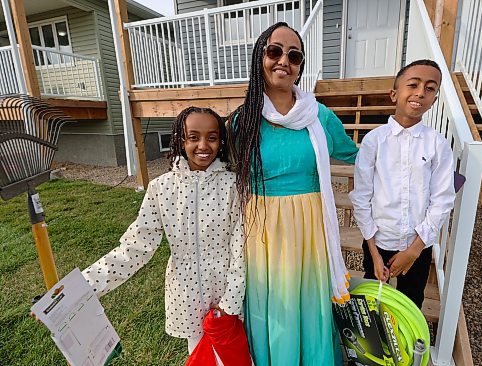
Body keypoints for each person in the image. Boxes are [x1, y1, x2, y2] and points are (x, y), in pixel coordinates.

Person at [227, 22, 358, 366]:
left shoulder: (320, 117)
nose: (283, 60)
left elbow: (360, 155)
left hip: (311, 226)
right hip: (264, 229)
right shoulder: (244, 121)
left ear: (300, 66)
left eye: (294, 55)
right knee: (274, 303)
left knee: (310, 300)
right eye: (274, 51)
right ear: (260, 57)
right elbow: (217, 170)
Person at [82, 107, 245, 357]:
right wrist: (85, 285)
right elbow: (135, 247)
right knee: (199, 356)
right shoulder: (161, 189)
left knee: (235, 355)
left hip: (227, 291)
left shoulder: (233, 186)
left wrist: (230, 302)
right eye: (193, 137)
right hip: (187, 294)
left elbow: (241, 245)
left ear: (221, 141)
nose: (203, 145)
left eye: (212, 137)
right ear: (180, 139)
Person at [349, 59, 456, 308]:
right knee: (372, 299)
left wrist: (414, 250)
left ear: (435, 99)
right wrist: (374, 253)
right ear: (394, 93)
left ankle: (405, 346)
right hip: (379, 242)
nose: (420, 92)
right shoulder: (374, 141)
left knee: (411, 301)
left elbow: (442, 199)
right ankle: (374, 346)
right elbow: (362, 197)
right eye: (413, 84)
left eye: (430, 88)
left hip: (417, 244)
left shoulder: (437, 144)